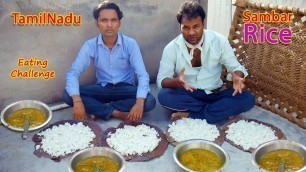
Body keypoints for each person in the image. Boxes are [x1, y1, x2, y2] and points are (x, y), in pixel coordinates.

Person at [157, 1, 255, 123]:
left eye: (196, 26)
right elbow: (162, 80)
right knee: (163, 96)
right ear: (180, 27)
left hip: (216, 94)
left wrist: (238, 77)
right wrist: (176, 82)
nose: (191, 32)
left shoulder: (219, 41)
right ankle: (217, 112)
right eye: (186, 27)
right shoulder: (171, 48)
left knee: (248, 99)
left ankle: (193, 115)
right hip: (189, 94)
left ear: (203, 23)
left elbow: (235, 67)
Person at [62, 1, 156, 121]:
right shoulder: (90, 45)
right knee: (67, 95)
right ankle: (116, 112)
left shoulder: (130, 44)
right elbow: (73, 73)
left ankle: (101, 109)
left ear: (119, 23)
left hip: (126, 89)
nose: (109, 25)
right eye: (104, 20)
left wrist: (139, 102)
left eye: (113, 20)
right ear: (97, 23)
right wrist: (77, 101)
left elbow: (142, 74)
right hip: (103, 89)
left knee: (149, 102)